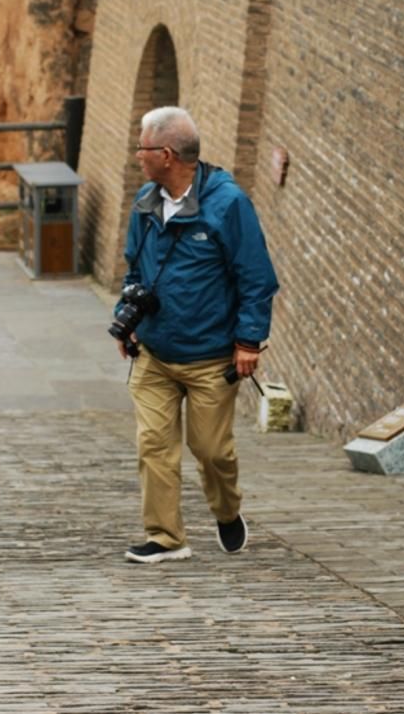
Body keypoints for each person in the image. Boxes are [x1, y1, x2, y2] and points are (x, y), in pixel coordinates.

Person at [115, 106, 279, 564]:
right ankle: (166, 538)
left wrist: (248, 342)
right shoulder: (145, 202)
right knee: (153, 446)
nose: (137, 156)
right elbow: (134, 267)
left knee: (211, 452)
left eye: (143, 148)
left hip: (210, 358)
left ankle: (227, 511)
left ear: (166, 154)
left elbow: (257, 279)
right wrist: (125, 318)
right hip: (154, 352)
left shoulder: (228, 205)